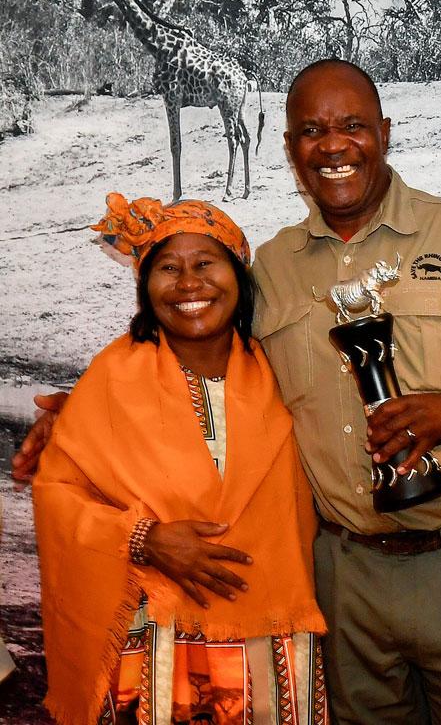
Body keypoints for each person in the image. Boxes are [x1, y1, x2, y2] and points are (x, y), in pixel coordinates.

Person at [20, 59, 441, 724]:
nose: (332, 145)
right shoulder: (272, 269)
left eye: (352, 126)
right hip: (337, 578)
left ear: (385, 133)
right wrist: (77, 417)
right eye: (311, 130)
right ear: (290, 149)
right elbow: (199, 356)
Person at [33, 194, 325, 725]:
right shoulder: (112, 378)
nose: (189, 283)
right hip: (150, 647)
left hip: (270, 637)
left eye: (206, 263)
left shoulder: (283, 371)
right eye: (168, 268)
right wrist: (145, 539)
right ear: (146, 288)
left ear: (239, 276)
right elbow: (57, 491)